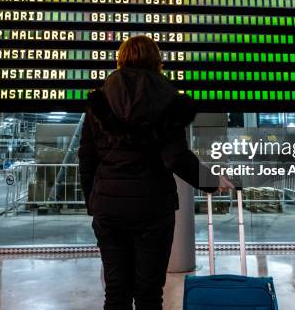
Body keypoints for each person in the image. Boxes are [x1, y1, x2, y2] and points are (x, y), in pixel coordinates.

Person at [78, 35, 233, 310]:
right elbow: (176, 158)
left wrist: (93, 201)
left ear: (121, 59)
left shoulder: (100, 102)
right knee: (149, 293)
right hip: (153, 210)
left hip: (108, 209)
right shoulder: (169, 102)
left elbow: (87, 157)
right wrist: (211, 182)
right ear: (156, 62)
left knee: (116, 291)